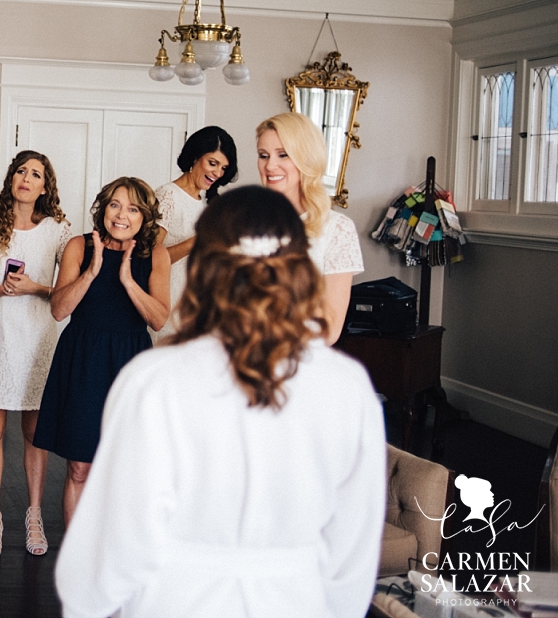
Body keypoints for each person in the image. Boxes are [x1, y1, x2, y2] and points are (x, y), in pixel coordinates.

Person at [55, 186, 385, 618]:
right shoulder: (347, 386)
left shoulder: (153, 379)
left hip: (173, 600)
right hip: (297, 601)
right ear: (300, 267)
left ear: (205, 267)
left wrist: (90, 604)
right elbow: (354, 549)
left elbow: (117, 536)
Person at [33, 177, 171, 526]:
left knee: (125, 469)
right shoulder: (79, 247)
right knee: (80, 467)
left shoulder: (156, 254)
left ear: (145, 218)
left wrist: (127, 279)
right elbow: (59, 309)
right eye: (114, 204)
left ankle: (112, 555)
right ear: (102, 208)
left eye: (133, 208)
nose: (121, 215)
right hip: (84, 359)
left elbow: (158, 318)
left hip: (130, 363)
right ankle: (76, 561)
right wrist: (93, 272)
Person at [0, 150, 72, 558]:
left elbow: (65, 293)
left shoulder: (59, 231)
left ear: (46, 186)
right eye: (21, 171)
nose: (26, 178)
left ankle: (35, 515)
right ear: (12, 179)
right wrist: (1, 289)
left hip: (39, 337)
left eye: (36, 174)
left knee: (33, 431)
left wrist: (35, 287)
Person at [256, 112, 363, 345]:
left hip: (298, 361)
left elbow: (330, 329)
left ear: (306, 158)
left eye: (282, 155)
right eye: (263, 155)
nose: (269, 165)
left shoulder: (337, 229)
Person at [153, 126, 238, 342]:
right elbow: (150, 259)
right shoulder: (168, 196)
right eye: (213, 163)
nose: (217, 173)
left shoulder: (206, 204)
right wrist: (196, 242)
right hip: (168, 305)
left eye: (223, 168)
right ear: (195, 156)